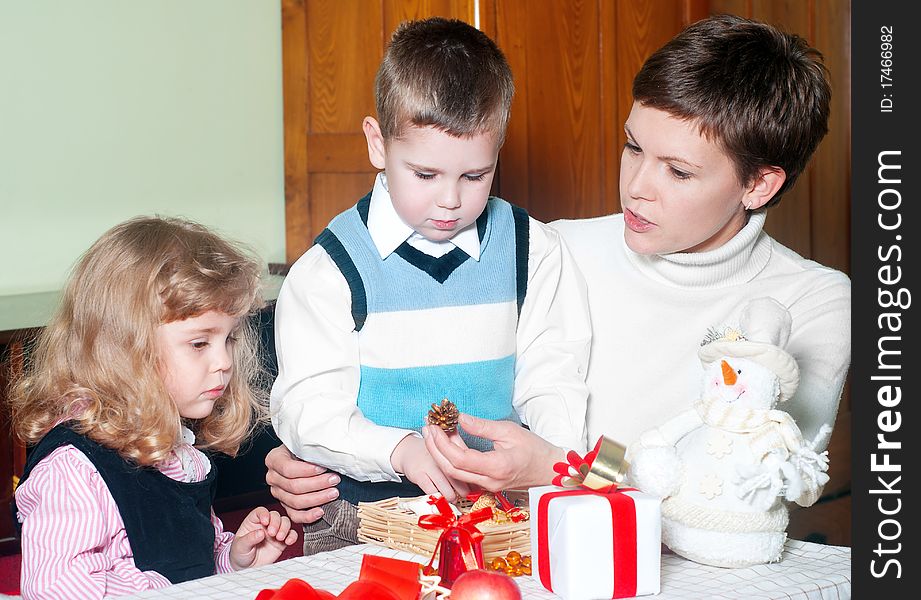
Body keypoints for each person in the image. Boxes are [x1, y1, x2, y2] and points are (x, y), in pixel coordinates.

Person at [266, 14, 850, 504]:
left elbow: (733, 492)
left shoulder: (813, 303)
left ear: (760, 185)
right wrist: (318, 453)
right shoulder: (552, 247)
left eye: (677, 171)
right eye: (632, 147)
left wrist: (560, 468)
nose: (636, 187)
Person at [268, 16, 590, 552]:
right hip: (364, 515)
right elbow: (309, 409)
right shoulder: (328, 271)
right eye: (424, 175)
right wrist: (401, 450)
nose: (449, 200)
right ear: (377, 144)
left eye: (475, 176)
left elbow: (553, 377)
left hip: (498, 510)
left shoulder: (533, 251)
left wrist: (551, 458)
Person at [10, 217, 298, 599]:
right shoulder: (75, 469)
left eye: (228, 339)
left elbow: (187, 555)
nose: (224, 362)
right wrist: (166, 588)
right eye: (199, 344)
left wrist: (232, 559)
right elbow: (55, 588)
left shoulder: (176, 450)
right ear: (126, 349)